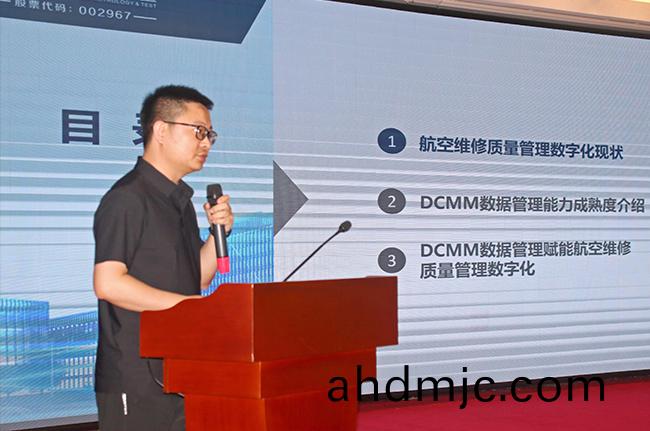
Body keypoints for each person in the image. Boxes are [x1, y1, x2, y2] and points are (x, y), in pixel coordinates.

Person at [92, 85, 234, 430]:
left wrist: (218, 234)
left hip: (180, 369)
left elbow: (199, 278)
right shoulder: (127, 198)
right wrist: (190, 308)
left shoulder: (179, 202)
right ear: (160, 130)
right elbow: (108, 284)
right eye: (198, 131)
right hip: (136, 377)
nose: (206, 143)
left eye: (210, 134)